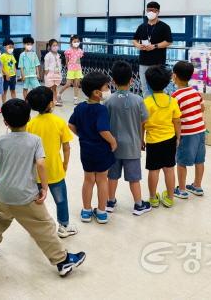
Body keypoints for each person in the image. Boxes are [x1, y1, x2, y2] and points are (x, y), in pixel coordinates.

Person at [0, 99, 86, 278]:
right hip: (26, 194)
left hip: (3, 191)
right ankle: (62, 261)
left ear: (5, 122)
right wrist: (45, 187)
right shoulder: (34, 141)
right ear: (28, 119)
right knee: (44, 226)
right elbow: (41, 164)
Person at [26, 86, 78, 237]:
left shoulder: (30, 124)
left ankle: (35, 228)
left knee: (36, 201)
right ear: (50, 104)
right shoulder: (59, 122)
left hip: (35, 172)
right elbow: (66, 148)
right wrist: (65, 165)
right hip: (55, 170)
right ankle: (64, 226)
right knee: (61, 200)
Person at [68, 72, 117, 224]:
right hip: (101, 150)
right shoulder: (101, 109)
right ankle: (102, 212)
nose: (108, 89)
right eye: (106, 87)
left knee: (88, 180)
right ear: (97, 93)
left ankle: (86, 211)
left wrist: (82, 135)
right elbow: (103, 130)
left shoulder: (81, 107)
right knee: (102, 180)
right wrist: (113, 141)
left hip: (86, 149)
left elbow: (70, 125)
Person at [105, 61, 151, 215]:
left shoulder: (108, 101)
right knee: (134, 178)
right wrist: (141, 139)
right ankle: (138, 205)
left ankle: (110, 202)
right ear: (132, 80)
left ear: (113, 81)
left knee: (112, 176)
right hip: (132, 146)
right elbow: (144, 121)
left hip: (113, 147)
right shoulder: (138, 100)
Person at [143, 65, 181, 208]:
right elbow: (177, 121)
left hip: (153, 141)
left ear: (148, 83)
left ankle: (153, 198)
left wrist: (141, 138)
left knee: (153, 170)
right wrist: (178, 136)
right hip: (169, 139)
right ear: (167, 83)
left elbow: (142, 123)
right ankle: (170, 198)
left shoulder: (146, 102)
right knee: (169, 169)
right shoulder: (172, 101)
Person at [171, 61, 206, 199]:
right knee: (200, 160)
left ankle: (182, 189)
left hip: (186, 133)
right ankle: (197, 186)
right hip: (200, 130)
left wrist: (177, 136)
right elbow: (202, 108)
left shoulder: (175, 96)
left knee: (181, 161)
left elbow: (176, 118)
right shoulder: (196, 92)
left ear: (174, 76)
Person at [132, 1, 173, 98]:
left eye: (153, 10)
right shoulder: (142, 26)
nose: (150, 12)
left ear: (158, 12)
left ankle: (158, 107)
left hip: (157, 62)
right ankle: (147, 108)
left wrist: (155, 46)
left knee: (157, 87)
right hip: (143, 61)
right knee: (145, 87)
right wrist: (138, 45)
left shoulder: (164, 27)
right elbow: (134, 40)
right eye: (148, 10)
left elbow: (169, 41)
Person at [59, 35, 84, 105]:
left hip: (78, 69)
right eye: (75, 41)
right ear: (71, 42)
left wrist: (78, 67)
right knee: (68, 84)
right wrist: (68, 67)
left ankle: (75, 99)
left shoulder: (80, 51)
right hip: (71, 69)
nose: (76, 43)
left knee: (76, 84)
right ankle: (59, 94)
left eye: (78, 41)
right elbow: (66, 61)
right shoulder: (68, 51)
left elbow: (79, 60)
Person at [43, 39, 63, 107]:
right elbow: (46, 65)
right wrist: (46, 74)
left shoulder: (58, 55)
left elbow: (59, 64)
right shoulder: (48, 55)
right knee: (48, 89)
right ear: (50, 46)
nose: (55, 47)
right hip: (50, 74)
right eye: (53, 45)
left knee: (54, 88)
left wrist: (59, 72)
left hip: (56, 74)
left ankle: (55, 101)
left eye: (56, 45)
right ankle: (47, 102)